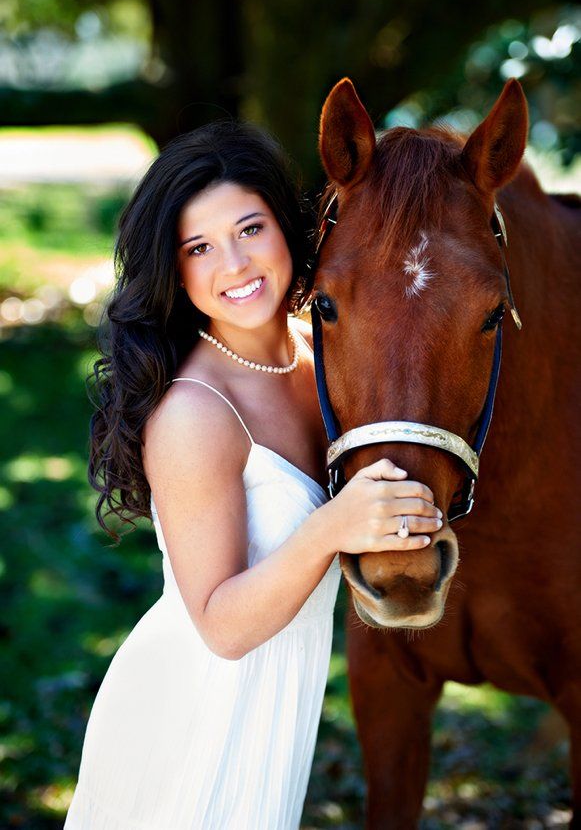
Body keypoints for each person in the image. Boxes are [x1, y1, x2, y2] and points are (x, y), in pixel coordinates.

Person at [64, 120, 442, 829]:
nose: (233, 265)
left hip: (276, 706)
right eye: (198, 247)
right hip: (193, 716)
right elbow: (222, 629)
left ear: (286, 227)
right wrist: (331, 527)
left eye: (249, 229)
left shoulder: (321, 359)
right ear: (173, 270)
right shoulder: (195, 413)